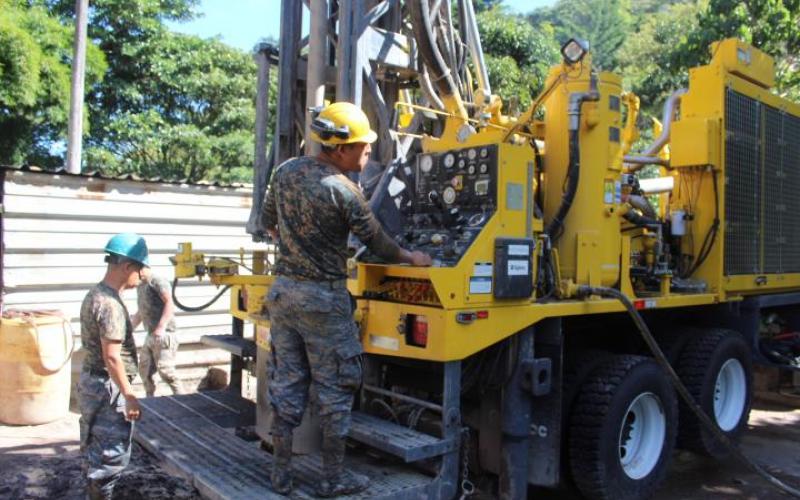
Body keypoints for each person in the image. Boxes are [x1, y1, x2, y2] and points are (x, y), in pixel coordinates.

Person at [261, 101, 432, 497]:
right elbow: (379, 243)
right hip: (323, 300)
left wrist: (296, 243)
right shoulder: (345, 191)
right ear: (339, 149)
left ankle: (280, 475)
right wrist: (413, 257)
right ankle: (333, 479)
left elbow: (270, 222)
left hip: (283, 294)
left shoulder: (285, 172)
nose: (369, 152)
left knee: (286, 385)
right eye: (363, 146)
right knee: (336, 388)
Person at [78, 233, 149, 500]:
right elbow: (112, 358)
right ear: (128, 267)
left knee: (94, 448)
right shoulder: (111, 305)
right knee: (109, 457)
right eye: (139, 269)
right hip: (109, 388)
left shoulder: (95, 294)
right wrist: (129, 396)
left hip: (93, 383)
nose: (141, 276)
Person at [132, 268, 185, 397]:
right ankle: (150, 398)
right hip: (150, 334)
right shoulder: (140, 286)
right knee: (145, 370)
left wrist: (161, 327)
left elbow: (169, 303)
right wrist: (130, 328)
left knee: (166, 372)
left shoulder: (157, 282)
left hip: (164, 334)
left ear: (143, 268)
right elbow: (141, 311)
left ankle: (183, 398)